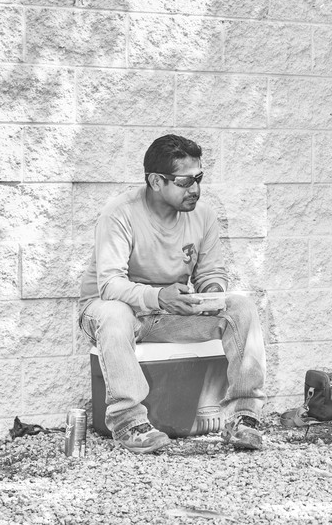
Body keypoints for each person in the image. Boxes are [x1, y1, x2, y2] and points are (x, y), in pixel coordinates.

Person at [79, 134, 267, 453]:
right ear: (156, 181)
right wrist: (159, 296)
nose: (194, 189)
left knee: (241, 307)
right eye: (184, 181)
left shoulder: (202, 215)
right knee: (114, 314)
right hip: (111, 312)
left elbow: (211, 273)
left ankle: (244, 417)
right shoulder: (120, 213)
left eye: (199, 179)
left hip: (167, 314)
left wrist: (210, 296)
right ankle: (128, 422)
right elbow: (109, 286)